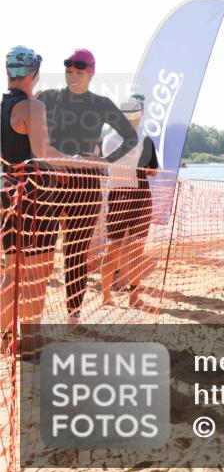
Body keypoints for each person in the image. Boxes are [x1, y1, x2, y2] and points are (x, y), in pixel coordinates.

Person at [37, 48, 137, 319]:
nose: (73, 76)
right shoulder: (48, 97)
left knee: (76, 252)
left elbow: (130, 137)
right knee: (41, 253)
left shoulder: (101, 103)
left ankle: (73, 314)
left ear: (91, 72)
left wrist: (105, 160)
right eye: (68, 71)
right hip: (50, 181)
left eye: (78, 72)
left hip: (86, 184)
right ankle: (31, 313)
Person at [1, 46, 75, 350]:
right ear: (33, 73)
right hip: (35, 196)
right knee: (37, 273)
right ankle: (29, 341)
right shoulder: (33, 107)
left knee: (11, 270)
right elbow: (45, 154)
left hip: (8, 192)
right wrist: (76, 160)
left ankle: (8, 337)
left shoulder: (4, 107)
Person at [100, 93, 159, 309]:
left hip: (117, 195)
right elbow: (153, 172)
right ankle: (133, 296)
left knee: (113, 247)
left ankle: (106, 295)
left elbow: (108, 164)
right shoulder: (145, 140)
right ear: (140, 114)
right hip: (139, 197)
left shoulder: (108, 139)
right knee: (134, 249)